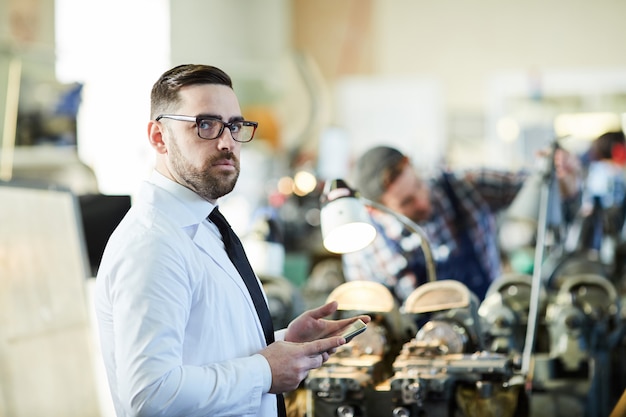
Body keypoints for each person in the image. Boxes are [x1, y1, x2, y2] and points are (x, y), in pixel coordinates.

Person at [94, 64, 369, 417]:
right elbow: (151, 395)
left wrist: (284, 344)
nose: (227, 142)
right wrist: (265, 371)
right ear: (159, 137)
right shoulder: (153, 244)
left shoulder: (206, 224)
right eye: (205, 125)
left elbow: (208, 347)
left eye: (234, 126)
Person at [341, 145, 581, 303]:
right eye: (407, 203)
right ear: (375, 209)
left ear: (412, 166)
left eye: (418, 186)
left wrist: (565, 177)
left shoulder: (466, 186)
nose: (423, 202)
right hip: (419, 357)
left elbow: (544, 189)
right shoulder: (364, 247)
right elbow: (373, 319)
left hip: (493, 325)